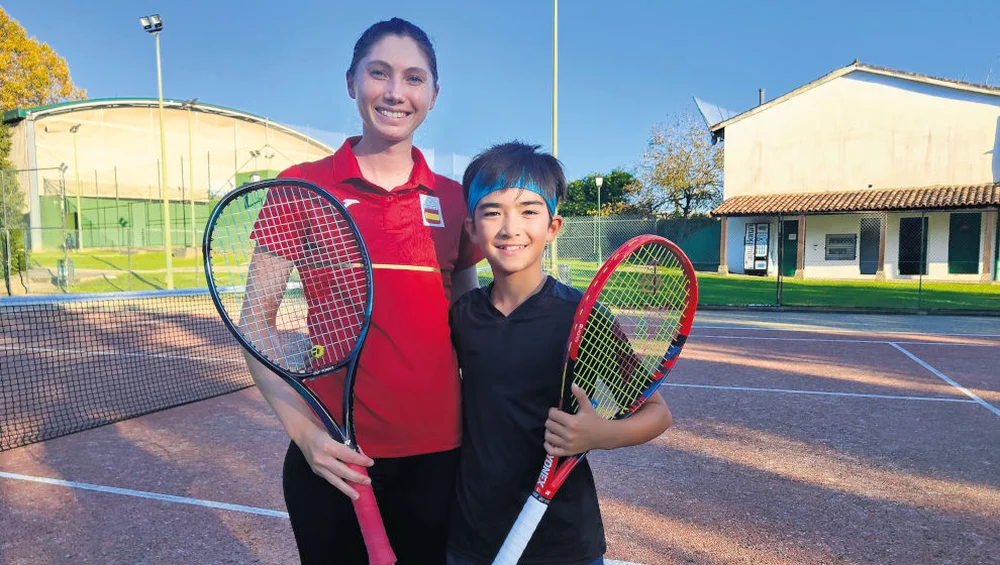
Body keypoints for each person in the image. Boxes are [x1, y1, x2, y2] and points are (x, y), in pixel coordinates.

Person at [242, 17, 482, 564]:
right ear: (352, 81)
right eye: (379, 73)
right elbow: (254, 325)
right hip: (333, 457)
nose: (396, 92)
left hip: (440, 459)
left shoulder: (455, 199)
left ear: (434, 95)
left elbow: (467, 323)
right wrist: (305, 436)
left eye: (414, 78)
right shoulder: (301, 185)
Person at [447, 142, 672, 565]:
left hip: (563, 541)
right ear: (471, 229)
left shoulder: (583, 315)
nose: (510, 227)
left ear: (553, 227)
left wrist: (600, 435)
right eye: (492, 211)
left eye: (529, 211)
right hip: (473, 537)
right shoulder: (461, 315)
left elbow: (657, 413)